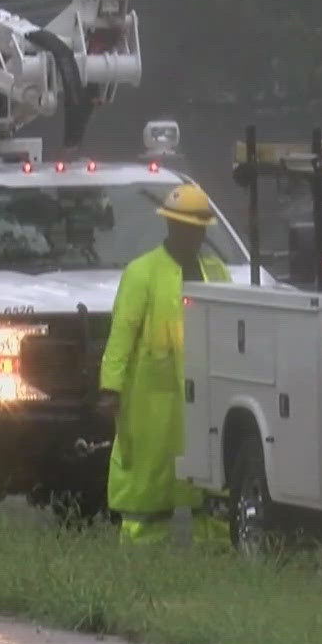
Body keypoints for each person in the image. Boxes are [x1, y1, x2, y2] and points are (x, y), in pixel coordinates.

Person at [96, 183, 230, 547]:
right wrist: (111, 388)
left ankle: (215, 550)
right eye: (186, 226)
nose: (193, 234)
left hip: (204, 396)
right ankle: (141, 548)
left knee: (209, 475)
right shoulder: (143, 272)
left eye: (198, 227)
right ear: (171, 226)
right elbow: (122, 334)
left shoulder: (216, 271)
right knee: (148, 476)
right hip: (151, 400)